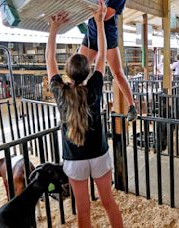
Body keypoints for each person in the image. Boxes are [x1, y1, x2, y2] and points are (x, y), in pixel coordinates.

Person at [46, 3, 123, 228]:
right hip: (99, 156)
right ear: (88, 71)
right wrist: (99, 22)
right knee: (109, 203)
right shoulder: (95, 88)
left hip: (74, 160)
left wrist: (53, 29)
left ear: (67, 74)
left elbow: (49, 60)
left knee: (83, 210)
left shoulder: (61, 92)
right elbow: (101, 52)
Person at [80, 0, 136, 121]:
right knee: (79, 70)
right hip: (92, 33)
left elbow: (106, 15)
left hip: (108, 35)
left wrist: (86, 9)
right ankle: (77, 106)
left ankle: (132, 106)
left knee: (117, 73)